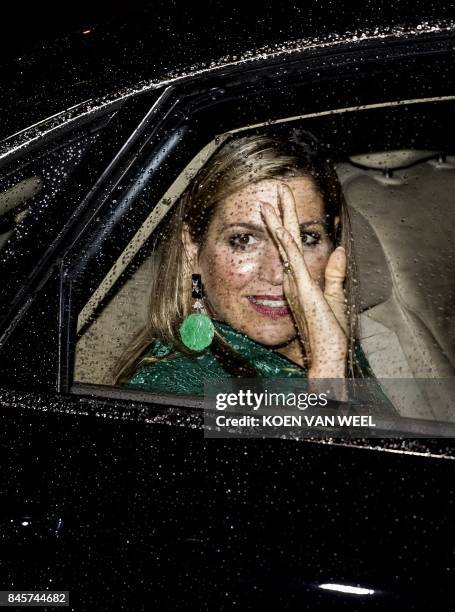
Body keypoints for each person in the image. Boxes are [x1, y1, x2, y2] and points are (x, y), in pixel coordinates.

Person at [115, 128, 367, 395]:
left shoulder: (330, 340)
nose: (277, 273)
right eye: (244, 240)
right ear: (192, 249)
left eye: (304, 238)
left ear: (333, 243)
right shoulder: (173, 388)